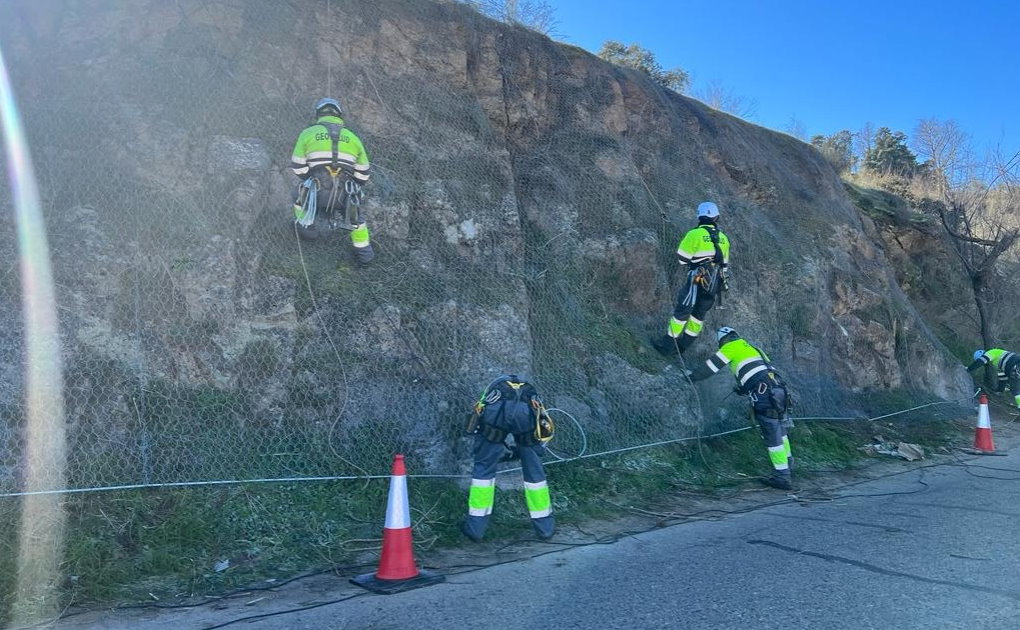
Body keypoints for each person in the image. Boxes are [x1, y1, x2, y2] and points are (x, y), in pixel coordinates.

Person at [687, 327, 794, 490]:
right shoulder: (753, 348)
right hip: (779, 390)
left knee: (772, 434)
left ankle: (782, 476)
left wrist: (692, 377)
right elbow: (760, 370)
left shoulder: (731, 347)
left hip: (765, 394)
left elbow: (711, 366)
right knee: (781, 430)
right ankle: (788, 464)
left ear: (724, 340)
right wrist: (743, 389)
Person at [462, 375, 555, 542]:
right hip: (527, 416)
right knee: (535, 475)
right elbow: (543, 425)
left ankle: (475, 528)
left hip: (496, 416)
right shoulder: (529, 392)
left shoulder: (492, 391)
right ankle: (545, 528)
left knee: (484, 471)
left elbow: (476, 418)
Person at [290, 97, 374, 264]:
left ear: (318, 114)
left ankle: (307, 231)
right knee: (357, 219)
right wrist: (354, 186)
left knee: (298, 197)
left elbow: (297, 165)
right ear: (340, 115)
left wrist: (311, 180)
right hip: (345, 195)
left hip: (317, 192)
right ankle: (365, 256)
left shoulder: (308, 133)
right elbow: (364, 174)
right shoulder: (354, 138)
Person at [652, 201, 730, 356]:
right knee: (698, 315)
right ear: (717, 218)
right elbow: (724, 265)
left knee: (683, 310)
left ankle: (667, 345)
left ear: (699, 217)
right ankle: (682, 347)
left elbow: (682, 259)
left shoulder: (694, 234)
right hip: (714, 281)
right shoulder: (724, 238)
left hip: (697, 277)